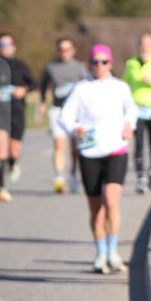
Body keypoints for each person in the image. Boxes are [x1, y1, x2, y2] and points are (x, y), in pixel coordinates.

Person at [58, 45, 138, 274]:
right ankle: (100, 252)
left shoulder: (120, 87)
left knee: (112, 202)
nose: (100, 66)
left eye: (104, 62)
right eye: (95, 62)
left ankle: (113, 252)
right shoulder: (81, 89)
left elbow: (131, 110)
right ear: (89, 64)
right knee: (96, 210)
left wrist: (129, 125)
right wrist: (75, 128)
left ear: (111, 64)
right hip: (90, 152)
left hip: (116, 149)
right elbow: (65, 116)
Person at [0, 33, 36, 202]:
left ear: (14, 46)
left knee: (14, 150)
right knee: (0, 150)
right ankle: (1, 188)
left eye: (8, 44)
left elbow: (33, 83)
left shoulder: (20, 65)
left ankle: (12, 163)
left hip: (17, 111)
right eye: (2, 44)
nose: (5, 47)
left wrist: (24, 90)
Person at [38, 38, 88, 194]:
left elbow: (88, 88)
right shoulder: (51, 67)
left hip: (75, 113)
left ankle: (73, 173)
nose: (64, 52)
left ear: (73, 50)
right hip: (57, 110)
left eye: (67, 49)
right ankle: (59, 178)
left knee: (75, 148)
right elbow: (43, 86)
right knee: (59, 145)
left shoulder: (80, 67)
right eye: (61, 49)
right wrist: (42, 103)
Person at [123, 33, 151, 194]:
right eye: (142, 45)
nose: (144, 48)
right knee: (138, 144)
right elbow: (124, 85)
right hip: (136, 110)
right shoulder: (131, 64)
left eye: (148, 45)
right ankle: (140, 177)